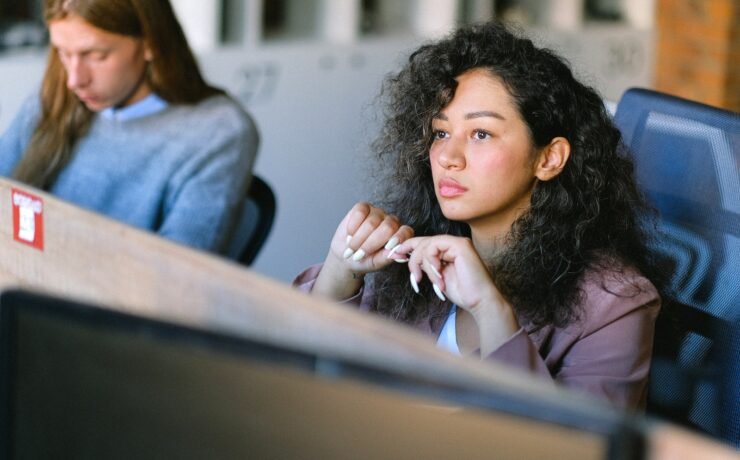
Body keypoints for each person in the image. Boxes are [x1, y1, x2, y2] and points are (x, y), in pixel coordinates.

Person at [295, 22, 667, 410]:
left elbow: (581, 447)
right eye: (440, 133)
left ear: (549, 158)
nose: (447, 158)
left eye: (481, 134)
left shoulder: (614, 304)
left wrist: (491, 309)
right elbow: (293, 386)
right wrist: (340, 275)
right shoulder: (411, 254)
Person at [0, 0, 258, 255]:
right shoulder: (52, 98)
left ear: (150, 44)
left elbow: (176, 278)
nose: (75, 80)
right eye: (63, 53)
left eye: (97, 56)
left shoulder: (216, 132)